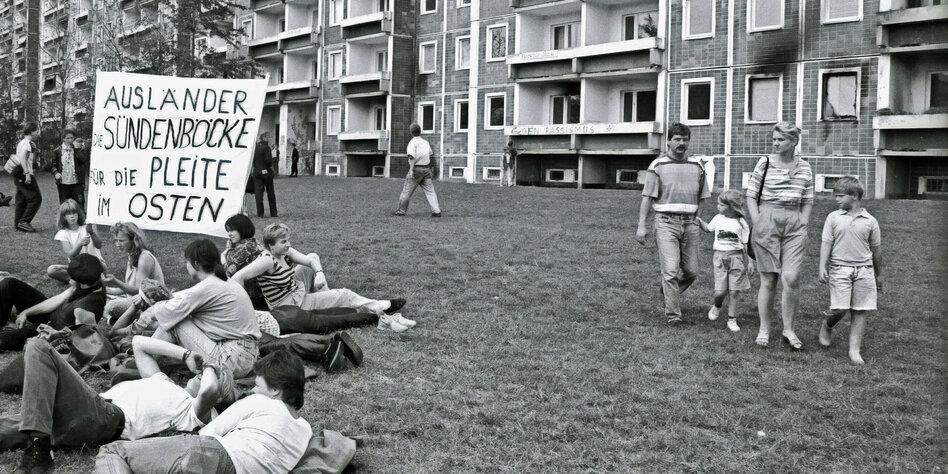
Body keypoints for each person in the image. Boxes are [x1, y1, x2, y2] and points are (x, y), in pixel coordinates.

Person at [3, 336, 232, 474]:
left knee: (38, 346)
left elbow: (210, 390)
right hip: (66, 413)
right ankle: (39, 440)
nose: (202, 373)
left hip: (103, 417)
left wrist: (211, 365)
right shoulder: (160, 379)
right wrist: (186, 354)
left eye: (209, 375)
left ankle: (40, 445)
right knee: (19, 424)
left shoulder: (191, 411)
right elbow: (138, 343)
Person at [95, 350, 314, 474]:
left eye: (257, 385)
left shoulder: (262, 402)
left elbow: (208, 434)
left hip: (212, 454)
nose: (253, 390)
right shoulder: (305, 431)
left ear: (275, 390)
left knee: (113, 452)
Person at [232, 223, 413, 332]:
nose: (288, 245)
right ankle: (380, 306)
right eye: (283, 242)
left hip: (293, 289)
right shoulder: (266, 261)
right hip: (287, 305)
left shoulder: (284, 252)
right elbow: (237, 278)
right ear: (271, 245)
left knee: (308, 265)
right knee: (345, 294)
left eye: (288, 240)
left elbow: (312, 257)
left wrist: (319, 274)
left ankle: (327, 296)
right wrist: (245, 309)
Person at [138, 238, 260, 380]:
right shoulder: (222, 281)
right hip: (243, 356)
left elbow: (167, 311)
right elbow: (187, 296)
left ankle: (145, 356)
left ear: (195, 264)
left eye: (187, 262)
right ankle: (149, 356)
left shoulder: (207, 287)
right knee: (179, 317)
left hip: (232, 359)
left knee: (176, 321)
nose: (186, 265)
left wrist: (151, 306)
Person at [745, 122, 814, 350]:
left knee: (791, 278)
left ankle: (788, 329)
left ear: (793, 142)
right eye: (774, 139)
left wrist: (803, 221)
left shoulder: (805, 167)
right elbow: (751, 196)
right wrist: (758, 221)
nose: (775, 143)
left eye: (781, 140)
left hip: (794, 222)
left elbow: (808, 200)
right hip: (767, 218)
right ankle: (764, 328)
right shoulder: (764, 163)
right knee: (769, 279)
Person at [635, 123, 710, 324]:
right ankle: (673, 314)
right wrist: (641, 226)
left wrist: (696, 220)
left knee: (692, 272)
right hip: (666, 222)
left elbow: (703, 197)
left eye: (685, 139)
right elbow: (647, 198)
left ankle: (667, 291)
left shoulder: (698, 166)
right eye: (677, 139)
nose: (681, 143)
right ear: (668, 141)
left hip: (690, 224)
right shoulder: (657, 166)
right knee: (670, 269)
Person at [817, 176, 882, 365]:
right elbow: (826, 242)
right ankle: (827, 325)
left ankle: (855, 351)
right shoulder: (833, 217)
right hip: (839, 269)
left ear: (854, 196)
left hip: (864, 270)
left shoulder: (870, 221)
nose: (836, 200)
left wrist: (879, 275)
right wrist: (822, 266)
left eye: (840, 196)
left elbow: (876, 249)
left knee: (860, 310)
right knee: (840, 309)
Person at [0, 254, 106, 351]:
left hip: (51, 334)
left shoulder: (85, 307)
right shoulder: (88, 283)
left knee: (4, 339)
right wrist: (26, 312)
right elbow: (57, 300)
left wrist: (54, 334)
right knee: (9, 284)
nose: (70, 280)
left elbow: (83, 340)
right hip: (49, 317)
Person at [696, 190, 754, 332]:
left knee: (734, 292)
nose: (718, 207)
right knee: (720, 292)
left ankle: (732, 319)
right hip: (720, 258)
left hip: (737, 259)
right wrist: (699, 222)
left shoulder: (742, 223)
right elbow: (708, 229)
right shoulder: (718, 218)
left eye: (721, 205)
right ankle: (717, 306)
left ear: (731, 206)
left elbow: (747, 244)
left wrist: (751, 262)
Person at [102, 222, 166, 322]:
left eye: (121, 241)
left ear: (133, 240)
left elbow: (139, 291)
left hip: (149, 303)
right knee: (99, 297)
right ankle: (113, 319)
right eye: (116, 241)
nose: (117, 244)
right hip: (135, 299)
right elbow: (129, 286)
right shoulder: (132, 255)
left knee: (111, 305)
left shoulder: (144, 257)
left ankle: (117, 319)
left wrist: (116, 282)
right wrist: (109, 290)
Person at [46, 199, 103, 283]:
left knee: (101, 267)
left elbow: (99, 245)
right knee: (51, 270)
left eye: (74, 213)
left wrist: (91, 232)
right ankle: (74, 280)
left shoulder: (89, 225)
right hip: (77, 266)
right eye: (69, 214)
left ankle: (79, 281)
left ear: (78, 214)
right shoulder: (63, 233)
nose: (72, 216)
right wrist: (80, 244)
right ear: (64, 217)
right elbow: (71, 255)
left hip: (94, 264)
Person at [221, 213, 269, 310]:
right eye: (228, 231)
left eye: (232, 230)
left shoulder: (244, 248)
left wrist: (223, 256)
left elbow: (226, 274)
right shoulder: (253, 242)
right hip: (261, 293)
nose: (229, 234)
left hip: (252, 299)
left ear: (242, 229)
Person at [394, 123, 441, 217]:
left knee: (407, 191)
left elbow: (412, 157)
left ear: (411, 132)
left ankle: (401, 211)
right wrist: (431, 169)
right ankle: (436, 211)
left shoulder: (412, 142)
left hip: (416, 169)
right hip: (426, 169)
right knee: (430, 191)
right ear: (420, 132)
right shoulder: (425, 142)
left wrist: (411, 170)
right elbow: (431, 156)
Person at [12, 122, 41, 233]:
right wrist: (27, 173)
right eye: (36, 130)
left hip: (18, 173)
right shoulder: (27, 143)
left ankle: (18, 223)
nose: (38, 133)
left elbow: (25, 157)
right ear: (31, 132)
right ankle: (24, 222)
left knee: (21, 199)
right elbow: (23, 158)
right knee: (36, 198)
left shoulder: (22, 143)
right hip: (24, 173)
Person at [51, 128, 86, 207]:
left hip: (77, 182)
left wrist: (77, 150)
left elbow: (82, 161)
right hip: (63, 182)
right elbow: (53, 165)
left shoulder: (78, 149)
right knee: (65, 205)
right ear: (63, 139)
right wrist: (56, 173)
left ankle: (80, 219)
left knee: (79, 204)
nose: (70, 140)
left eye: (72, 138)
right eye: (67, 138)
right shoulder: (57, 151)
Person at [253, 133, 278, 218]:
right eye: (268, 137)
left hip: (256, 173)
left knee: (258, 194)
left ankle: (260, 214)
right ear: (263, 138)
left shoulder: (255, 148)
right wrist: (272, 169)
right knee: (270, 192)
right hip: (266, 172)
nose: (269, 138)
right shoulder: (267, 148)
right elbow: (268, 161)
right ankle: (273, 213)